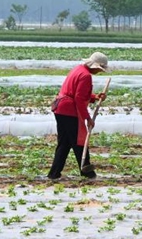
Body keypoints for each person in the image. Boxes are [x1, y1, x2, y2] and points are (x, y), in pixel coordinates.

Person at [47, 51, 109, 180]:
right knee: (79, 142)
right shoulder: (86, 76)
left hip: (61, 109)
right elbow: (79, 99)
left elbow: (77, 93)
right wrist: (87, 118)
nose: (99, 72)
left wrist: (95, 97)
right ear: (96, 66)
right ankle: (87, 173)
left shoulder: (78, 69)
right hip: (69, 110)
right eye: (99, 69)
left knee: (64, 143)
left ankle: (54, 173)